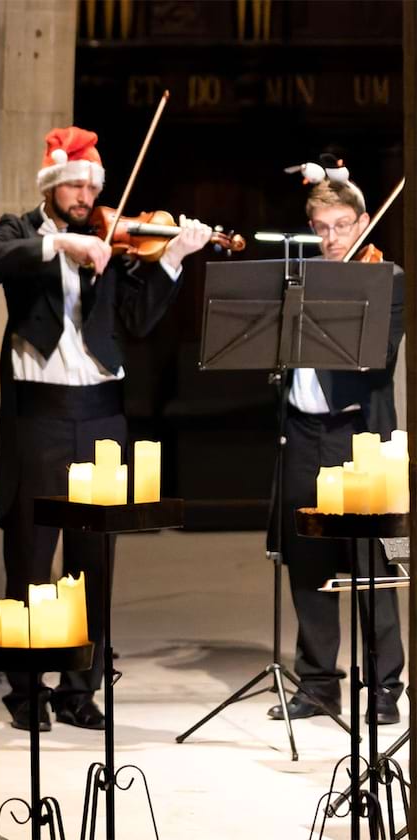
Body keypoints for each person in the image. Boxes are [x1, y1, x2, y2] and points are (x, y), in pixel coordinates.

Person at [0, 127, 210, 732]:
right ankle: (27, 691)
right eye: (73, 185)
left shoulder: (113, 236)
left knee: (92, 560)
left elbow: (138, 318)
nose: (83, 195)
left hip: (103, 413)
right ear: (53, 187)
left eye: (90, 186)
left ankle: (79, 688)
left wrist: (175, 258)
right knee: (29, 555)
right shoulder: (23, 231)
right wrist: (61, 249)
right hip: (40, 414)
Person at [266, 171, 406, 725]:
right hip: (302, 430)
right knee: (308, 558)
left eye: (342, 226)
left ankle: (384, 686)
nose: (331, 238)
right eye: (321, 228)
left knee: (372, 563)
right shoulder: (297, 277)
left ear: (363, 223)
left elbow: (379, 356)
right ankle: (320, 681)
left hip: (358, 434)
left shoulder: (386, 277)